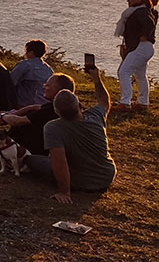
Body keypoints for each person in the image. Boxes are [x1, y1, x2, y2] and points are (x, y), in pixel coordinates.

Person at [25, 67, 117, 202]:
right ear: (79, 106)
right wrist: (96, 78)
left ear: (56, 111)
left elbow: (59, 162)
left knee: (32, 160)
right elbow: (104, 100)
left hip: (80, 181)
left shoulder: (53, 127)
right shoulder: (96, 116)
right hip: (106, 177)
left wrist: (64, 192)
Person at [0, 73, 76, 156]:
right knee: (30, 114)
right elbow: (36, 107)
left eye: (48, 85)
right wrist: (23, 110)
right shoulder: (63, 107)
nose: (44, 87)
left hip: (38, 150)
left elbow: (17, 122)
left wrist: (3, 116)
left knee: (25, 123)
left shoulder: (50, 110)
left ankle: (5, 148)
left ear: (58, 89)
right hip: (47, 146)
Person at [115, 0, 157, 111]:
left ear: (139, 0)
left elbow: (150, 24)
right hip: (143, 47)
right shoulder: (139, 11)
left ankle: (125, 102)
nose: (128, 0)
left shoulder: (141, 12)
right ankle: (143, 102)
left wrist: (146, 35)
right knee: (140, 75)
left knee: (123, 72)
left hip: (141, 47)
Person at [11, 40, 54, 108]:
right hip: (43, 105)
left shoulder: (25, 65)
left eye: (26, 51)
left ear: (31, 52)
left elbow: (11, 83)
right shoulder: (48, 69)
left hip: (24, 104)